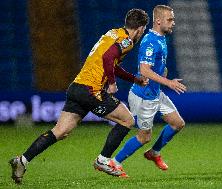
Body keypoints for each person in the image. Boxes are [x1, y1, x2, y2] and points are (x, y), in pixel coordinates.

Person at [9, 8, 149, 184]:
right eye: (143, 29)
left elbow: (109, 63)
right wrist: (112, 83)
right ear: (140, 28)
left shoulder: (113, 33)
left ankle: (22, 160)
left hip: (77, 88)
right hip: (91, 90)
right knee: (127, 119)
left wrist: (135, 79)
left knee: (60, 131)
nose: (142, 33)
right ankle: (103, 160)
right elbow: (107, 58)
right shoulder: (127, 41)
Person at [105, 5, 187, 178]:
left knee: (177, 123)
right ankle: (115, 162)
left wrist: (162, 73)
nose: (173, 23)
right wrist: (168, 83)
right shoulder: (150, 41)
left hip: (154, 92)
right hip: (143, 96)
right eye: (170, 19)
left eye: (173, 19)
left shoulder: (161, 38)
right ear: (158, 21)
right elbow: (144, 70)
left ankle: (154, 153)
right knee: (144, 136)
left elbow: (156, 67)